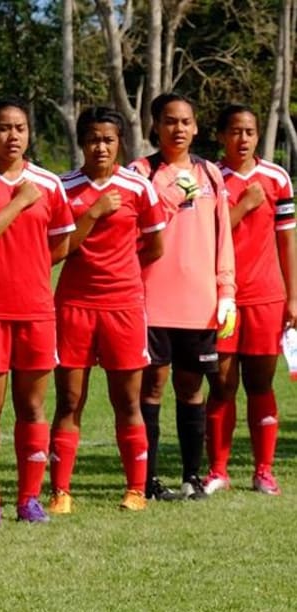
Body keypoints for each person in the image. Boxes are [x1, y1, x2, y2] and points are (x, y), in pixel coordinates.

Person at [0, 97, 74, 526]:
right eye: (4, 128)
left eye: (20, 128)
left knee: (33, 408)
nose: (13, 136)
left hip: (37, 313)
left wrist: (31, 268)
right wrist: (19, 202)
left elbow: (61, 243)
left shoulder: (49, 183)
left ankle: (29, 500)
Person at [48, 106, 165, 514]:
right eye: (93, 139)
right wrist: (94, 212)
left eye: (108, 139)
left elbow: (155, 246)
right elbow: (57, 251)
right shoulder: (62, 188)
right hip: (74, 305)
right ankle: (60, 492)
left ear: (120, 143)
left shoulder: (138, 187)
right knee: (69, 400)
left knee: (127, 401)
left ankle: (135, 489)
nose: (101, 146)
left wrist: (121, 270)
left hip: (123, 306)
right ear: (82, 142)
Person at [130, 93, 235, 501]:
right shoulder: (140, 173)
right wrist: (170, 199)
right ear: (156, 126)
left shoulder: (210, 174)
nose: (178, 128)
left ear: (196, 127)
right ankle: (147, 479)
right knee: (151, 388)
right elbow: (133, 234)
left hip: (199, 302)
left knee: (191, 388)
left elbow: (224, 237)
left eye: (185, 121)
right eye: (170, 121)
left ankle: (192, 476)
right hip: (151, 300)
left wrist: (226, 291)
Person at [204, 104, 295, 496]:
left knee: (260, 384)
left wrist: (293, 297)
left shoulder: (277, 178)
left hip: (266, 298)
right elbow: (205, 236)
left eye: (250, 131)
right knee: (222, 384)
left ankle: (264, 471)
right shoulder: (208, 178)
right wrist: (243, 206)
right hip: (220, 299)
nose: (243, 139)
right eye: (235, 131)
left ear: (258, 136)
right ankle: (218, 471)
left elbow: (287, 240)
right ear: (220, 135)